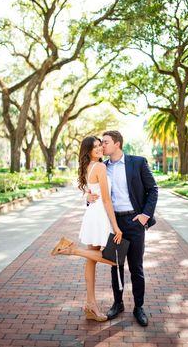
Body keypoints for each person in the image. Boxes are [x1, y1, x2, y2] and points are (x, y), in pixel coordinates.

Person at [87, 130, 158, 326]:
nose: (102, 145)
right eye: (101, 143)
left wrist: (145, 216)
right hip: (113, 223)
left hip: (134, 222)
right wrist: (87, 197)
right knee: (115, 266)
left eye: (106, 142)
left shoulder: (137, 162)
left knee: (136, 267)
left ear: (117, 143)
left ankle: (139, 307)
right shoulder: (102, 166)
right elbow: (93, 190)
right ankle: (117, 304)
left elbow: (153, 189)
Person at [51, 136, 123, 322]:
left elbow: (92, 193)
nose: (99, 149)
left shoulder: (88, 167)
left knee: (91, 260)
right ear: (88, 151)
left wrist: (89, 197)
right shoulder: (99, 166)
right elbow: (106, 200)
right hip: (100, 216)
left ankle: (90, 305)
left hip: (92, 214)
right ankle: (72, 249)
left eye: (100, 145)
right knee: (114, 259)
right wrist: (115, 227)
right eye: (95, 147)